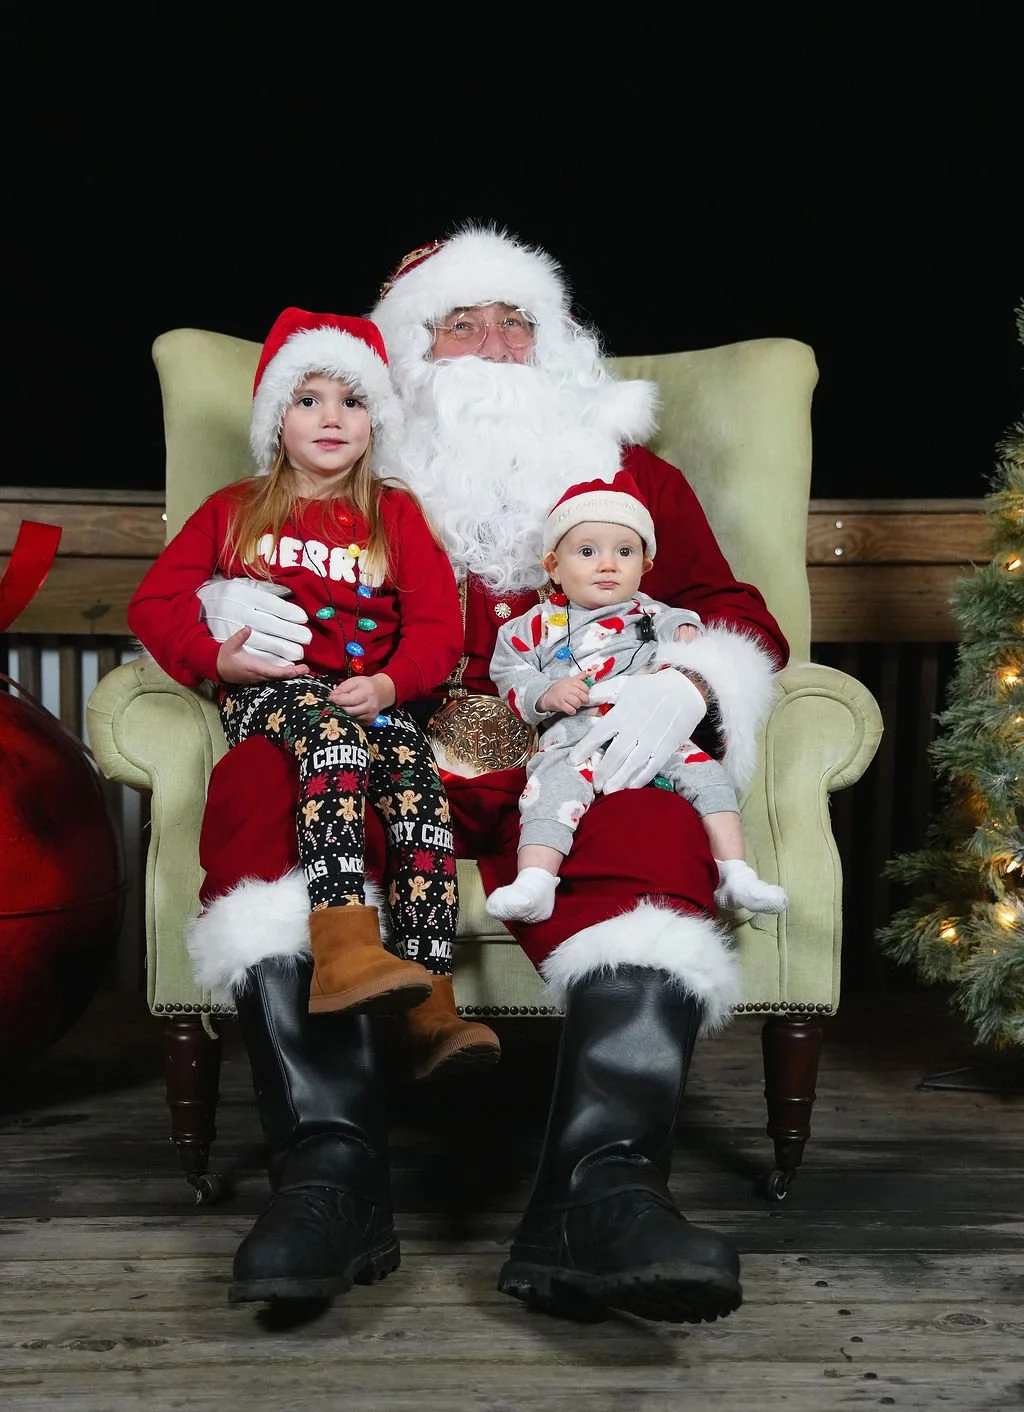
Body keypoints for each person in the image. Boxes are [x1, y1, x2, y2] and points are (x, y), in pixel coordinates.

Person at [191, 223, 790, 1323]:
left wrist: (690, 682)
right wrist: (224, 608)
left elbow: (733, 609)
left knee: (655, 822)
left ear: (558, 345)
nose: (494, 344)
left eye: (520, 322)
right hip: (381, 746)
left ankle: (599, 1193)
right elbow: (218, 563)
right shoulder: (338, 476)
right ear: (403, 358)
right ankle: (327, 1178)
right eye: (458, 322)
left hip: (567, 752)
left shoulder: (630, 476)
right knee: (258, 788)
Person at [127, 307, 501, 1085]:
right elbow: (155, 605)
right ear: (275, 419)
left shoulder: (395, 515)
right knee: (329, 742)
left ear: (376, 420)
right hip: (279, 692)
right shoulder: (234, 509)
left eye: (352, 401)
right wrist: (217, 660)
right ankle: (343, 947)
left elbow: (439, 627)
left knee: (417, 792)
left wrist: (393, 683)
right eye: (309, 400)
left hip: (375, 697)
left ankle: (431, 1003)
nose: (332, 418)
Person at [484, 470, 789, 924]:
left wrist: (691, 644)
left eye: (624, 552)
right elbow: (509, 671)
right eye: (587, 552)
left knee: (710, 778)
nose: (607, 565)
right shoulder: (529, 626)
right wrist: (546, 693)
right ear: (553, 567)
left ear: (644, 566)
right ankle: (535, 881)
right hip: (574, 736)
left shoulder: (652, 613)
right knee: (550, 793)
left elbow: (686, 633)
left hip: (650, 726)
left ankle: (734, 872)